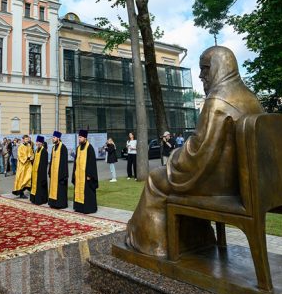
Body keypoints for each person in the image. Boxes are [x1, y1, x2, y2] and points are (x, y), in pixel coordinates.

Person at [126, 46, 264, 257]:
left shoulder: (218, 100)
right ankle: (196, 239)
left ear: (218, 68)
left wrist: (173, 157)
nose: (201, 76)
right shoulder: (252, 99)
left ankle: (153, 245)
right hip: (243, 183)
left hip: (219, 186)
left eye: (205, 69)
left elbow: (198, 154)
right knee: (172, 179)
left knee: (155, 179)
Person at [72, 130, 98, 214]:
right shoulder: (78, 148)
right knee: (78, 191)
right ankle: (79, 208)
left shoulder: (89, 148)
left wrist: (89, 175)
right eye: (78, 137)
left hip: (86, 175)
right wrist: (74, 174)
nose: (79, 139)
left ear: (85, 138)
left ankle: (88, 208)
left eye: (80, 137)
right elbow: (75, 162)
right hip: (78, 174)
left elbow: (92, 162)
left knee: (87, 192)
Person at [48, 131, 69, 209]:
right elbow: (51, 160)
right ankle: (53, 203)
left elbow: (64, 162)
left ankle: (60, 204)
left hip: (60, 173)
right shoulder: (54, 147)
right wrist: (50, 171)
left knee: (60, 189)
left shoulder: (63, 147)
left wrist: (63, 175)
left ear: (58, 138)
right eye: (53, 137)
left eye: (54, 137)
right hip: (54, 173)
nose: (53, 139)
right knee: (53, 188)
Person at [30, 135, 48, 205]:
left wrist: (41, 173)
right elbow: (34, 161)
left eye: (38, 142)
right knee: (34, 186)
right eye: (37, 142)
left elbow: (44, 164)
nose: (37, 143)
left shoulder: (44, 151)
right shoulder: (36, 150)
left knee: (40, 187)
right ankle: (34, 199)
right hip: (35, 171)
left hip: (40, 173)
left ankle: (41, 200)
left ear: (41, 143)